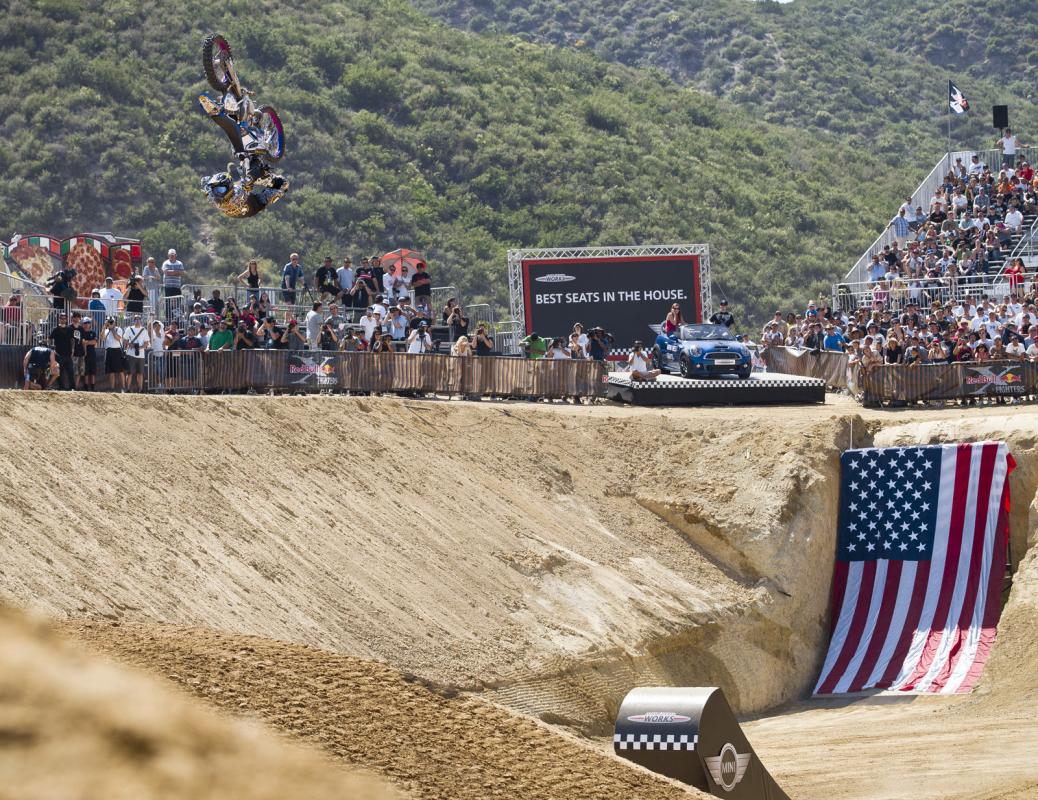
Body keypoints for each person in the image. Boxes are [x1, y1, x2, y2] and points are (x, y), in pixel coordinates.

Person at [47, 312, 75, 390]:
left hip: (68, 354)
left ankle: (72, 388)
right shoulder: (55, 329)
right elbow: (49, 339)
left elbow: (72, 339)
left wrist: (73, 349)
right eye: (61, 318)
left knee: (70, 372)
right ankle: (61, 387)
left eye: (64, 318)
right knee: (59, 373)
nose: (63, 320)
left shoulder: (70, 329)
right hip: (58, 354)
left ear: (66, 320)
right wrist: (51, 348)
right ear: (59, 319)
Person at [122, 314, 149, 392]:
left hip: (141, 355)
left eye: (139, 319)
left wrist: (140, 348)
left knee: (140, 373)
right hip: (130, 354)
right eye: (136, 319)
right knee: (129, 373)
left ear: (141, 320)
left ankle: (140, 389)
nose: (137, 320)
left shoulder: (144, 330)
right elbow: (124, 340)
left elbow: (146, 342)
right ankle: (128, 389)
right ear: (133, 320)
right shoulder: (129, 329)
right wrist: (131, 345)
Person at [101, 316, 126, 391]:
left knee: (120, 371)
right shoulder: (106, 330)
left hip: (117, 351)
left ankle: (123, 388)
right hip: (109, 351)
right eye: (109, 322)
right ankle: (112, 388)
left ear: (115, 322)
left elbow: (118, 338)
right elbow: (102, 338)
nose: (110, 323)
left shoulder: (119, 329)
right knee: (111, 371)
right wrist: (104, 327)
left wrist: (112, 329)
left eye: (112, 322)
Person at [161, 248, 185, 319]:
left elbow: (182, 273)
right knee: (168, 302)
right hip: (168, 287)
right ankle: (168, 318)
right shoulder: (165, 263)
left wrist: (171, 272)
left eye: (173, 255)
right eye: (170, 255)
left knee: (178, 302)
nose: (171, 256)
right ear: (168, 255)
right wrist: (176, 272)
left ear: (175, 255)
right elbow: (166, 272)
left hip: (177, 286)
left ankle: (177, 318)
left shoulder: (180, 263)